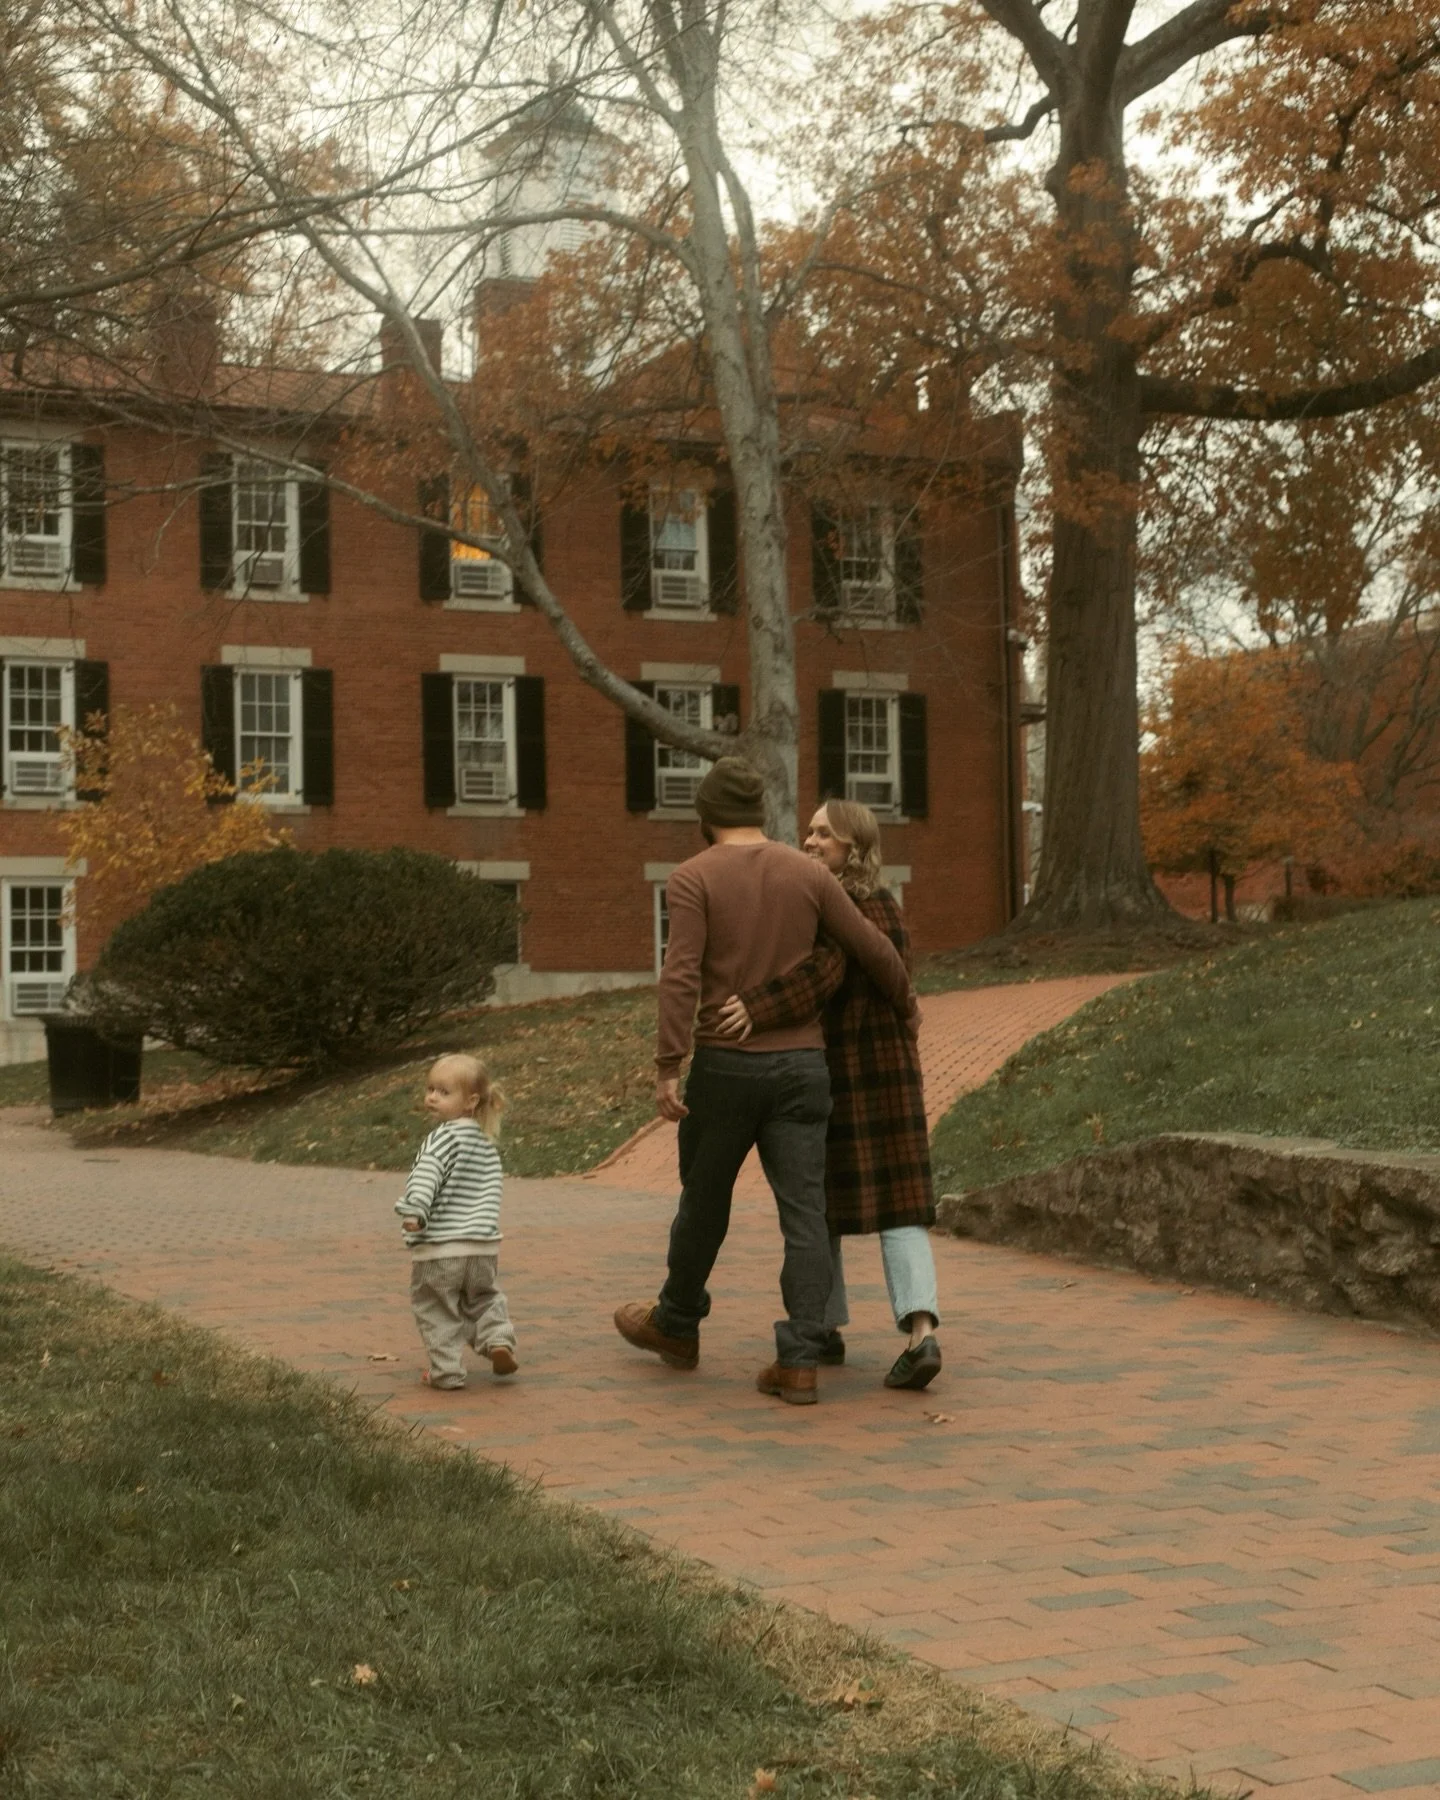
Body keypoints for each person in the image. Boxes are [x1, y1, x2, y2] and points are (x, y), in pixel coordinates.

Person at [613, 757, 919, 1406]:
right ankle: (801, 1358)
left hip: (725, 1069)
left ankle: (676, 1323)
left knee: (703, 1202)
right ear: (760, 812)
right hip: (803, 1071)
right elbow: (874, 950)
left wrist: (669, 1064)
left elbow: (681, 975)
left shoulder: (694, 877)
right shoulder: (807, 872)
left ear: (705, 816)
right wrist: (907, 1009)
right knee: (804, 1213)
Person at [719, 800, 942, 1391]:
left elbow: (819, 975)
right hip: (892, 1073)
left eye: (825, 834)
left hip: (848, 1071)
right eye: (810, 831)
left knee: (821, 1205)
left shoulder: (845, 907)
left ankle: (821, 1326)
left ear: (854, 847)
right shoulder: (887, 903)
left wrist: (755, 1008)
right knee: (901, 1208)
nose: (810, 840)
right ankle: (920, 1331)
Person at [397, 1053, 519, 1390]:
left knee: (435, 1307)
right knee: (484, 1298)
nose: (432, 1097)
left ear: (471, 1101)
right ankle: (497, 1339)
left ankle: (447, 1371)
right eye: (430, 1088)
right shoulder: (485, 1142)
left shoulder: (442, 1138)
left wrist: (415, 1211)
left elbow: (426, 1177)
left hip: (440, 1248)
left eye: (444, 1091)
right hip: (482, 1247)